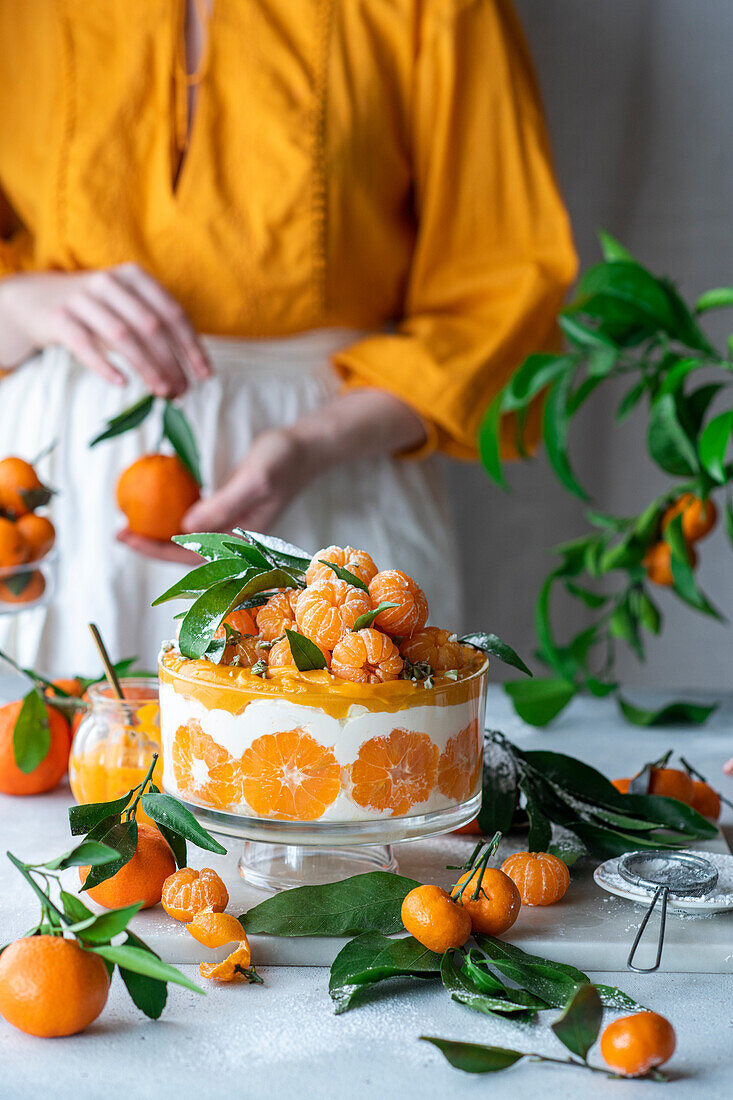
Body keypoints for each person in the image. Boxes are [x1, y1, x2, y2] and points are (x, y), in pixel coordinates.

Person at [0, 0, 576, 672]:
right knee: (73, 747)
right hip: (58, 481)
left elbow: (502, 288)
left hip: (335, 474)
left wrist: (310, 445)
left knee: (331, 756)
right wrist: (17, 306)